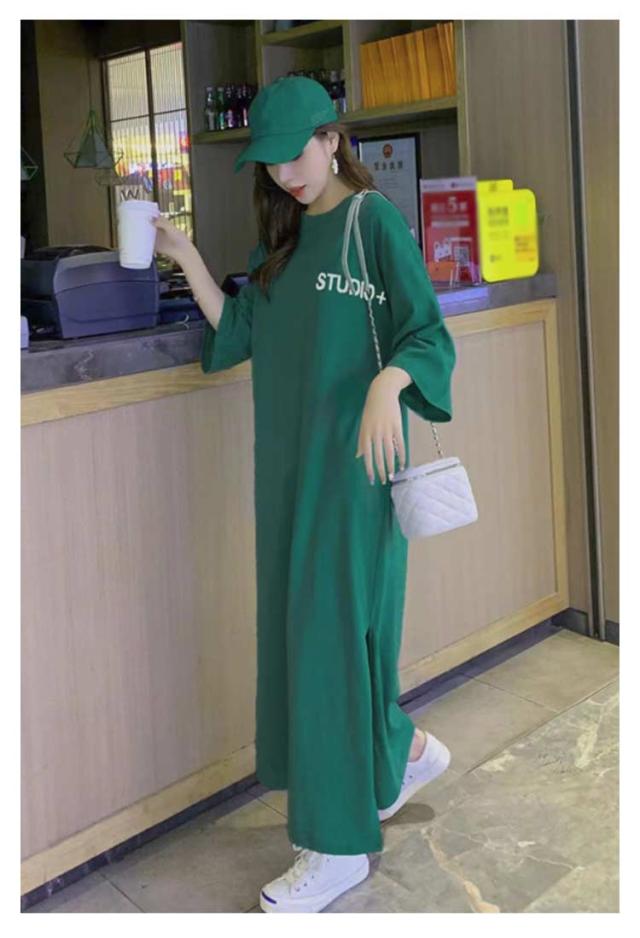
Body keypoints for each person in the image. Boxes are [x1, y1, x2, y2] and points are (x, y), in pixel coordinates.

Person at [151, 75, 457, 914]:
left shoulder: (372, 222)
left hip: (353, 473)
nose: (285, 172)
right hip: (290, 475)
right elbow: (239, 331)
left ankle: (335, 846)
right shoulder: (282, 241)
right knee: (315, 634)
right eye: (271, 161)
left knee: (326, 641)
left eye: (297, 153)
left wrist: (389, 383)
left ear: (332, 139)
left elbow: (426, 333)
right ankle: (398, 755)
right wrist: (184, 256)